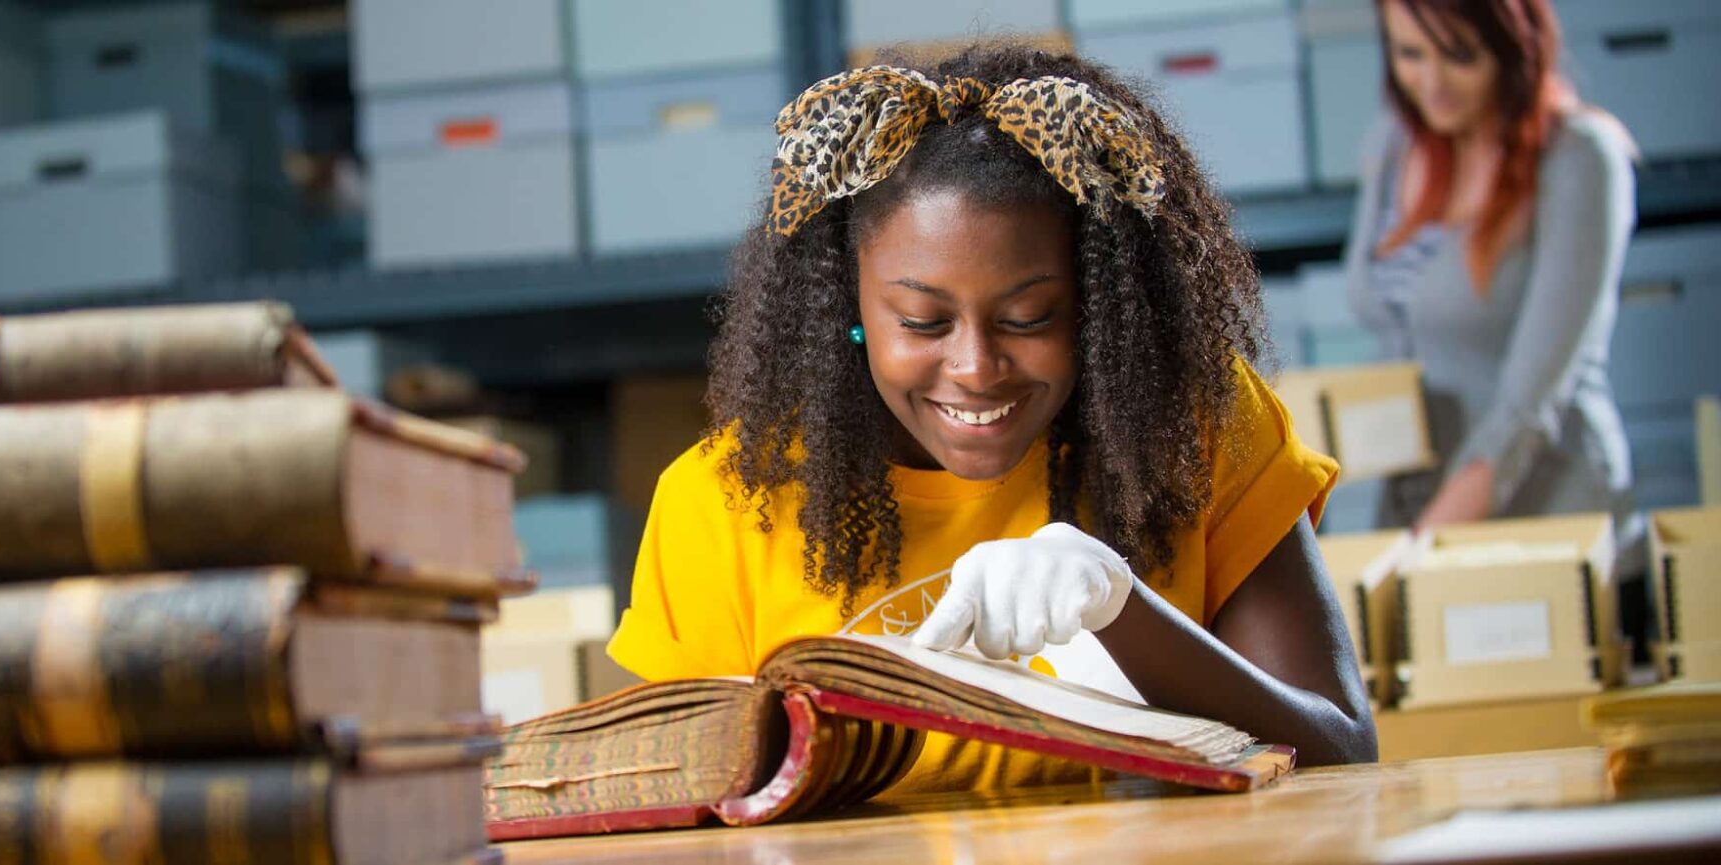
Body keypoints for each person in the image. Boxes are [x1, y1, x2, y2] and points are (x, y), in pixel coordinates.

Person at [603, 44, 1376, 795]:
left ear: (1095, 307)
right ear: (853, 307)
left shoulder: (1192, 427)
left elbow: (1341, 749)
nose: (975, 367)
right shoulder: (722, 503)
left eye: (1030, 316)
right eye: (923, 321)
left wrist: (1121, 609)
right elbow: (675, 814)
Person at [1343, 0, 1639, 564]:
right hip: (1418, 517)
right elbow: (1397, 346)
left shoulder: (1579, 157)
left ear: (1514, 51)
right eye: (1410, 54)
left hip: (1544, 524)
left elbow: (1530, 405)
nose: (1432, 83)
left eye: (1460, 56)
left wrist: (1418, 554)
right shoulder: (1393, 147)